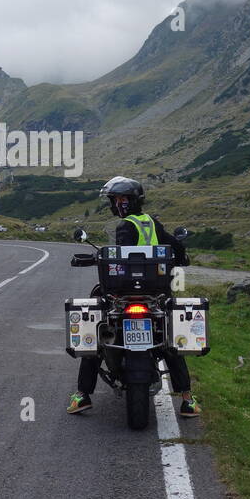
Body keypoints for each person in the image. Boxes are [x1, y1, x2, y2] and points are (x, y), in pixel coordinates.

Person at [67, 176, 202, 418]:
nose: (119, 203)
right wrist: (181, 258)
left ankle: (82, 395)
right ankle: (187, 400)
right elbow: (174, 246)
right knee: (170, 342)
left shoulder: (125, 226)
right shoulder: (151, 223)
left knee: (97, 334)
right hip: (155, 293)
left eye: (122, 199)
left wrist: (100, 259)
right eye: (117, 199)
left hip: (122, 293)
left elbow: (120, 257)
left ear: (133, 201)